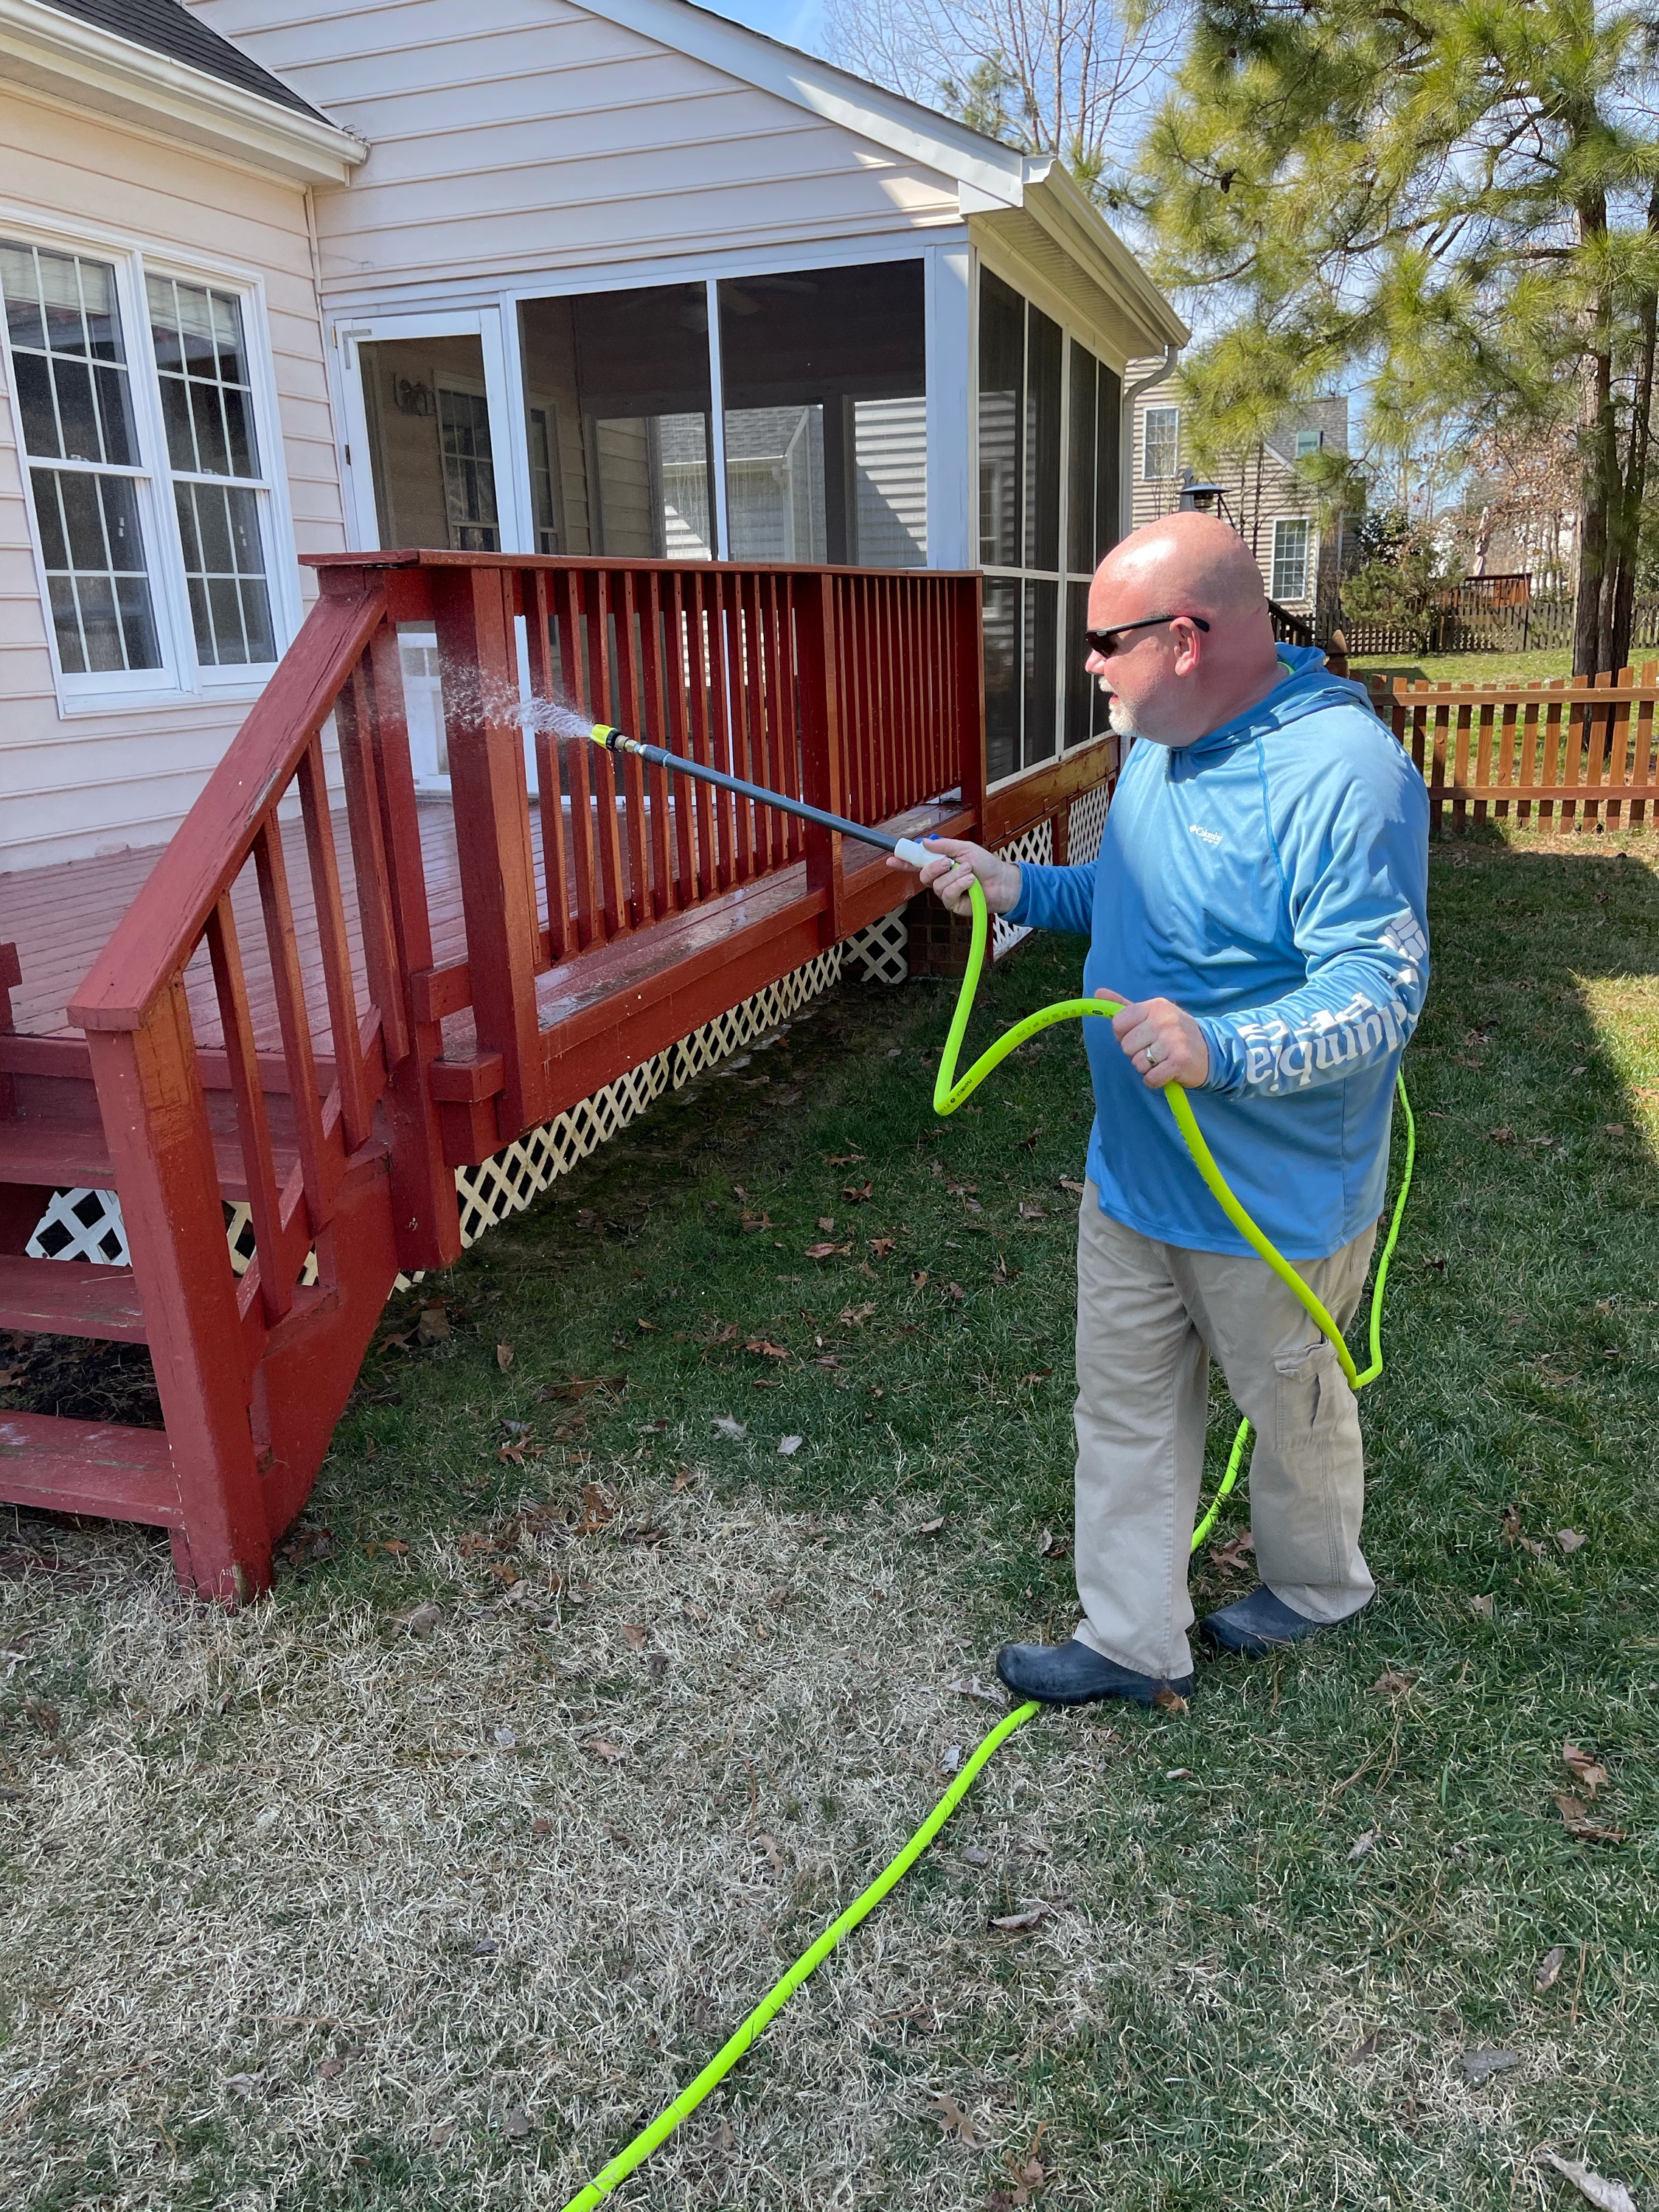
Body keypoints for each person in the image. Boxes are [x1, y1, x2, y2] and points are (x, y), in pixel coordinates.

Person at [899, 511, 1429, 1708]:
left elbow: (1379, 990)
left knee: (1286, 1407)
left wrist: (1221, 1044)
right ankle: (1131, 1637)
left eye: (1102, 641)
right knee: (1125, 1407)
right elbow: (1128, 890)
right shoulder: (1156, 735)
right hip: (1133, 1173)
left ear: (1184, 637)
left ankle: (1313, 1587)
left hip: (1272, 1198)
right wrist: (1017, 884)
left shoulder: (1341, 776)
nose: (1087, 664)